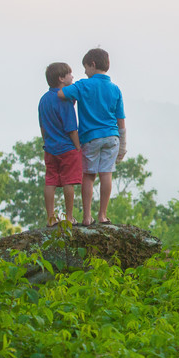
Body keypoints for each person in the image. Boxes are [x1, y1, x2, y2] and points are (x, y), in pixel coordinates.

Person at [58, 47, 127, 226]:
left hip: (90, 137)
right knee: (107, 174)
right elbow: (121, 121)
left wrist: (66, 83)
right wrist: (123, 146)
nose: (85, 71)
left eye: (86, 67)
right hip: (112, 137)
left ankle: (87, 217)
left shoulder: (83, 85)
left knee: (88, 176)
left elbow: (61, 93)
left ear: (93, 64)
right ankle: (103, 215)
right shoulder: (115, 89)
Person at [38, 62, 82, 227]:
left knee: (50, 181)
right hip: (67, 148)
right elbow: (71, 128)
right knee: (68, 182)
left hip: (50, 148)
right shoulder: (65, 99)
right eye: (69, 74)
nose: (72, 76)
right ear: (61, 78)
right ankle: (69, 217)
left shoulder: (43, 100)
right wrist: (77, 147)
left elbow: (42, 126)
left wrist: (47, 142)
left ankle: (50, 218)